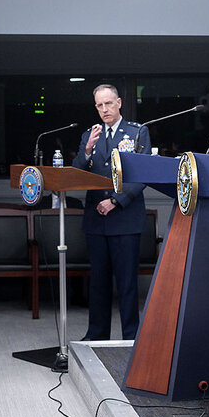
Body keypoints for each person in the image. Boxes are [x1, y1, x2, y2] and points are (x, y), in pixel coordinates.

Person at [72, 84, 150, 341]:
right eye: (99, 105)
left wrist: (116, 201)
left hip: (125, 218)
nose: (104, 109)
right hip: (96, 219)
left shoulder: (137, 132)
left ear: (119, 103)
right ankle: (96, 334)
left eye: (108, 104)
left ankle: (131, 337)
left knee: (127, 284)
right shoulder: (89, 135)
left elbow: (143, 174)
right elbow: (77, 171)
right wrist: (86, 150)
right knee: (98, 283)